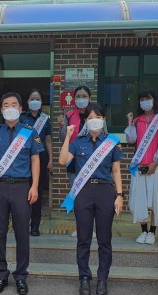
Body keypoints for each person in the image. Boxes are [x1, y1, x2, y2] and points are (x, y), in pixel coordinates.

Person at [0, 92, 44, 295]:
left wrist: (35, 186)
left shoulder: (30, 132)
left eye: (14, 104)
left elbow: (35, 161)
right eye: (6, 105)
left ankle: (21, 276)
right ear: (1, 110)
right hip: (0, 187)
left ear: (21, 109)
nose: (10, 107)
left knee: (23, 233)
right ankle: (1, 275)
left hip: (23, 187)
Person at [59, 104, 124, 295]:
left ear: (103, 119)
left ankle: (102, 279)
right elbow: (63, 161)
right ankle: (84, 278)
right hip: (83, 191)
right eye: (90, 117)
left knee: (104, 240)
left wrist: (120, 195)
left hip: (105, 191)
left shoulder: (112, 142)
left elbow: (116, 171)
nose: (94, 120)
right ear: (85, 121)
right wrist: (68, 136)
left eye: (98, 116)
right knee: (83, 239)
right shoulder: (78, 142)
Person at [125, 90, 158, 245]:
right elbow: (131, 139)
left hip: (154, 166)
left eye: (148, 99)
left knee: (153, 201)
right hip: (139, 166)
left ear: (154, 100)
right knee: (140, 200)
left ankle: (152, 232)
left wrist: (156, 162)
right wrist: (130, 121)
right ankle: (143, 231)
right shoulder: (138, 121)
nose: (145, 102)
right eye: (142, 99)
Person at [58, 85, 95, 238]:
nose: (81, 99)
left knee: (92, 196)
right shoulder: (69, 116)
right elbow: (62, 138)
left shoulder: (96, 115)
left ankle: (91, 229)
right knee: (77, 195)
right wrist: (62, 127)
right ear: (74, 99)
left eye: (84, 96)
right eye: (78, 96)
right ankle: (79, 227)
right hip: (73, 161)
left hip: (91, 161)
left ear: (89, 98)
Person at [20, 89, 53, 237]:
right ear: (27, 102)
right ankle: (22, 223)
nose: (35, 100)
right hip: (24, 157)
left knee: (37, 191)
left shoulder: (45, 118)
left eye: (37, 98)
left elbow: (48, 140)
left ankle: (35, 225)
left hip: (41, 156)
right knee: (23, 191)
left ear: (41, 102)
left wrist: (51, 158)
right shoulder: (21, 117)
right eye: (32, 98)